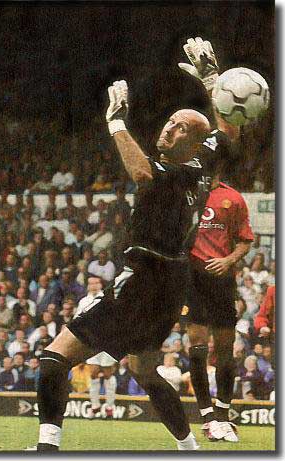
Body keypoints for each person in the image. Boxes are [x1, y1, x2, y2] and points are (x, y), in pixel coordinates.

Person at [33, 79, 215, 451]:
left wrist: (116, 123)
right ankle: (190, 450)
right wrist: (214, 86)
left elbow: (143, 174)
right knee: (145, 370)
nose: (170, 127)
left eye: (182, 127)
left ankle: (47, 449)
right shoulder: (202, 167)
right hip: (170, 287)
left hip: (143, 283)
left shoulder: (172, 173)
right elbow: (224, 133)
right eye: (171, 121)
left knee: (54, 359)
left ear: (193, 143)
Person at [177, 36, 254, 443]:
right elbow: (227, 136)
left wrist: (213, 83)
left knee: (225, 347)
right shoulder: (182, 179)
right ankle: (206, 413)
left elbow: (230, 137)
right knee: (196, 347)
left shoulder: (228, 196)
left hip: (220, 276)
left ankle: (224, 414)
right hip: (191, 274)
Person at [75, 276, 117, 418]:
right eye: (90, 283)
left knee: (107, 373)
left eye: (96, 283)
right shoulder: (84, 301)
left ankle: (110, 406)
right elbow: (77, 320)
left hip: (107, 340)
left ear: (100, 284)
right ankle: (95, 406)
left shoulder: (107, 298)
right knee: (93, 372)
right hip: (91, 341)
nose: (93, 285)